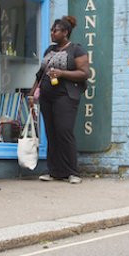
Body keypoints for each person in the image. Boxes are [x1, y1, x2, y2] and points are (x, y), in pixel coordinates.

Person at [29, 16, 89, 183]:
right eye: (51, 30)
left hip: (66, 96)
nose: (52, 33)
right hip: (47, 97)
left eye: (55, 30)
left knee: (64, 131)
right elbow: (40, 74)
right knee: (51, 132)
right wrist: (32, 94)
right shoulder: (49, 50)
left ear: (65, 32)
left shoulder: (76, 50)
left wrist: (62, 74)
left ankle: (73, 172)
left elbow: (85, 73)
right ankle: (54, 171)